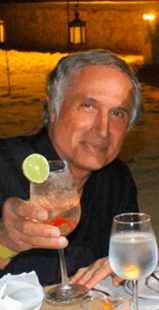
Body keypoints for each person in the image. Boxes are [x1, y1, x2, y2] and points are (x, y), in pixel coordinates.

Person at [0, 49, 142, 286]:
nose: (102, 130)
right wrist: (4, 244)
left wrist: (124, 263)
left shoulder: (116, 180)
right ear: (53, 109)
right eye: (88, 105)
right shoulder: (5, 166)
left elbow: (133, 253)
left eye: (117, 113)